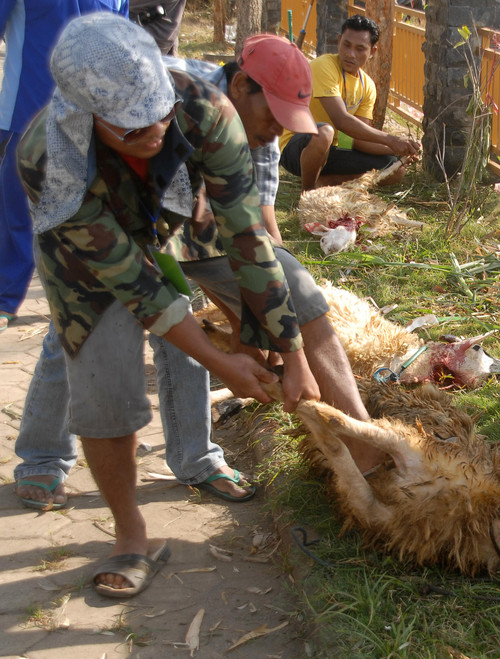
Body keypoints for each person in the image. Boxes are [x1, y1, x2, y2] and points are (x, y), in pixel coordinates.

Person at [17, 13, 326, 597]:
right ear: (88, 115)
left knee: (195, 313)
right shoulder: (48, 159)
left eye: (158, 117)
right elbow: (137, 288)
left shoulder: (204, 110)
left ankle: (196, 456)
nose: (153, 134)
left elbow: (247, 238)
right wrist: (221, 360)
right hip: (85, 252)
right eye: (130, 131)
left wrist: (293, 352)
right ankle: (130, 533)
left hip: (161, 222)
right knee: (102, 375)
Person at [0, 0, 129, 336]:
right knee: (19, 209)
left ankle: (82, 297)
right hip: (25, 111)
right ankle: (8, 297)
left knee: (89, 206)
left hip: (93, 115)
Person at [279, 15, 420, 191]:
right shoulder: (324, 66)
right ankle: (308, 194)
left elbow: (357, 140)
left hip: (333, 150)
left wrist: (400, 150)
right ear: (339, 41)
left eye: (360, 48)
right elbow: (341, 120)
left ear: (373, 52)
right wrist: (391, 140)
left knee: (396, 168)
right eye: (346, 45)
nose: (350, 54)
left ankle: (323, 183)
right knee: (324, 132)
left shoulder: (367, 85)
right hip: (296, 148)